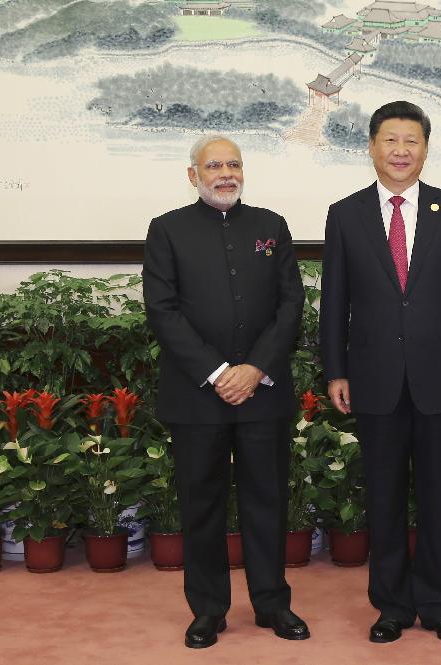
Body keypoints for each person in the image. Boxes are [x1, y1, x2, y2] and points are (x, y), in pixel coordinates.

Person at [319, 101, 441, 645]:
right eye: (390, 140)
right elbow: (335, 302)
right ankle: (391, 605)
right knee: (385, 496)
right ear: (371, 147)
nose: (401, 150)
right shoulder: (344, 214)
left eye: (411, 141)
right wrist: (336, 370)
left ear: (425, 148)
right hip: (373, 378)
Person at [142, 135, 309, 648]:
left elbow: (290, 306)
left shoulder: (270, 226)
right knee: (202, 505)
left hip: (263, 392)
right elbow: (162, 310)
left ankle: (272, 604)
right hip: (197, 396)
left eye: (234, 164)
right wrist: (218, 372)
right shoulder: (167, 229)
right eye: (213, 165)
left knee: (267, 502)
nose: (225, 173)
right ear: (192, 175)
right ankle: (208, 610)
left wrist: (255, 368)